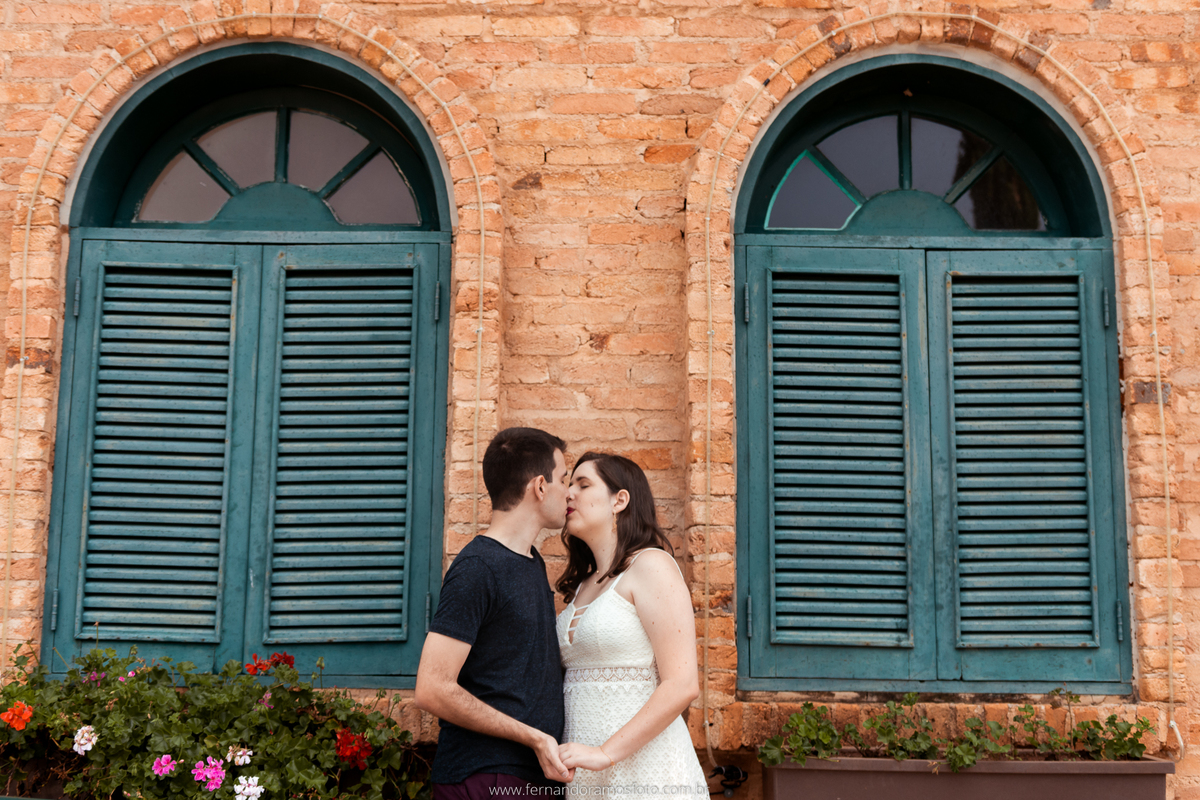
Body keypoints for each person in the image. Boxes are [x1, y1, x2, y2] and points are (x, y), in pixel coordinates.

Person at [414, 427, 574, 799]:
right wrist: (533, 737)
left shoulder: (531, 562)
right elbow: (432, 688)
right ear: (539, 486)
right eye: (563, 478)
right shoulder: (478, 568)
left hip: (530, 777)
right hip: (485, 776)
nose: (568, 492)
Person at [554, 452, 709, 794]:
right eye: (569, 485)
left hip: (646, 770)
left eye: (583, 484)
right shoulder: (583, 585)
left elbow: (682, 684)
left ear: (619, 499)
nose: (569, 494)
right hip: (586, 776)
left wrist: (605, 753)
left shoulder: (651, 565)